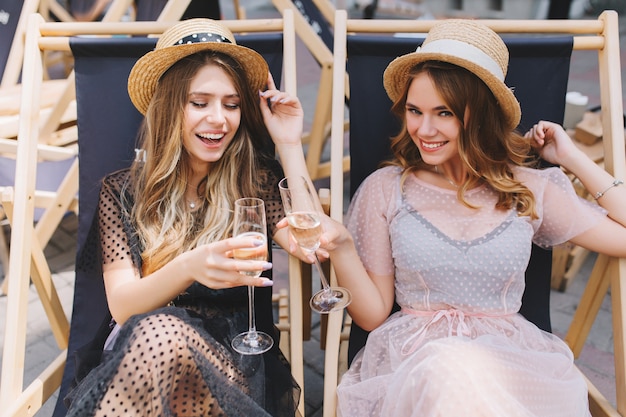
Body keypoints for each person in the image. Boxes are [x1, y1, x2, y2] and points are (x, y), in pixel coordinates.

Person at [309, 19, 626, 416]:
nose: (424, 129)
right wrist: (341, 246)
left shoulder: (527, 189)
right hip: (414, 369)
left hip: (513, 370)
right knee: (449, 368)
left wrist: (573, 157)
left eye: (444, 113)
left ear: (479, 115)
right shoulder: (386, 188)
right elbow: (372, 314)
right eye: (414, 110)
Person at [64, 18, 311, 416]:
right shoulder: (123, 191)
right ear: (168, 107)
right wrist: (189, 266)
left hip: (232, 366)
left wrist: (289, 143)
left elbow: (309, 243)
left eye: (231, 104)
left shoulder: (254, 181)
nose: (219, 119)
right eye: (200, 103)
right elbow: (124, 307)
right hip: (142, 357)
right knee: (158, 332)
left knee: (160, 335)